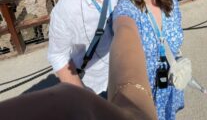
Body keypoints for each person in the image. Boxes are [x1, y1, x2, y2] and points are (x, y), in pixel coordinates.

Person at [0, 15, 157, 120]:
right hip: (91, 86)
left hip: (110, 80)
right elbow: (57, 55)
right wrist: (80, 92)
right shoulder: (65, 6)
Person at [113, 0, 184, 120]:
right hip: (146, 90)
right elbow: (123, 30)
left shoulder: (172, 1)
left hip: (169, 82)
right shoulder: (126, 8)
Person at [48, 0, 123, 96]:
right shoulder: (64, 8)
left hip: (123, 74)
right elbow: (57, 55)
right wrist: (82, 96)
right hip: (93, 86)